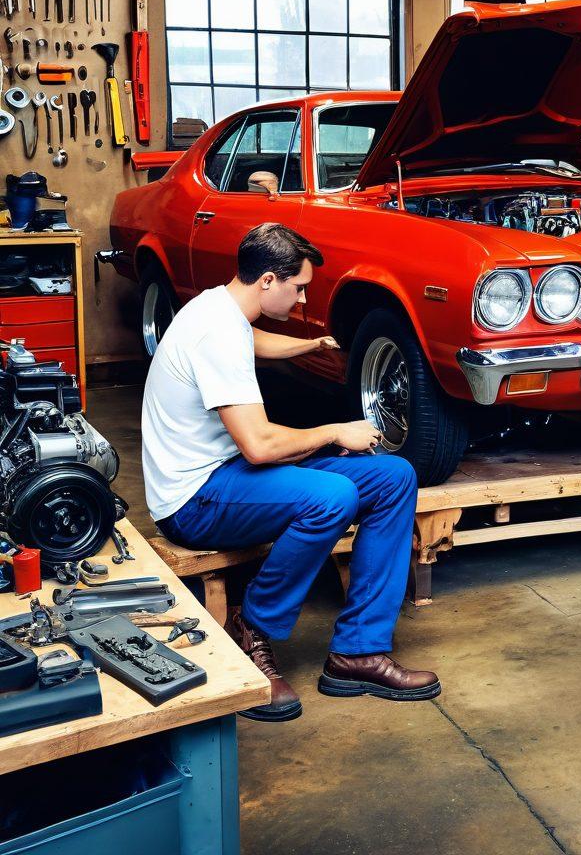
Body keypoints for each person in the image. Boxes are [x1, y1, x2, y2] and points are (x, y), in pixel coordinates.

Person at [141, 222, 440, 721]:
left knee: (393, 478)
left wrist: (312, 345)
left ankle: (358, 653)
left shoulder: (223, 306)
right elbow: (258, 446)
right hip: (194, 499)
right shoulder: (214, 332)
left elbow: (253, 339)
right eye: (298, 287)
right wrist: (334, 432)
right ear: (268, 281)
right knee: (332, 496)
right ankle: (250, 626)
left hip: (229, 474)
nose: (302, 299)